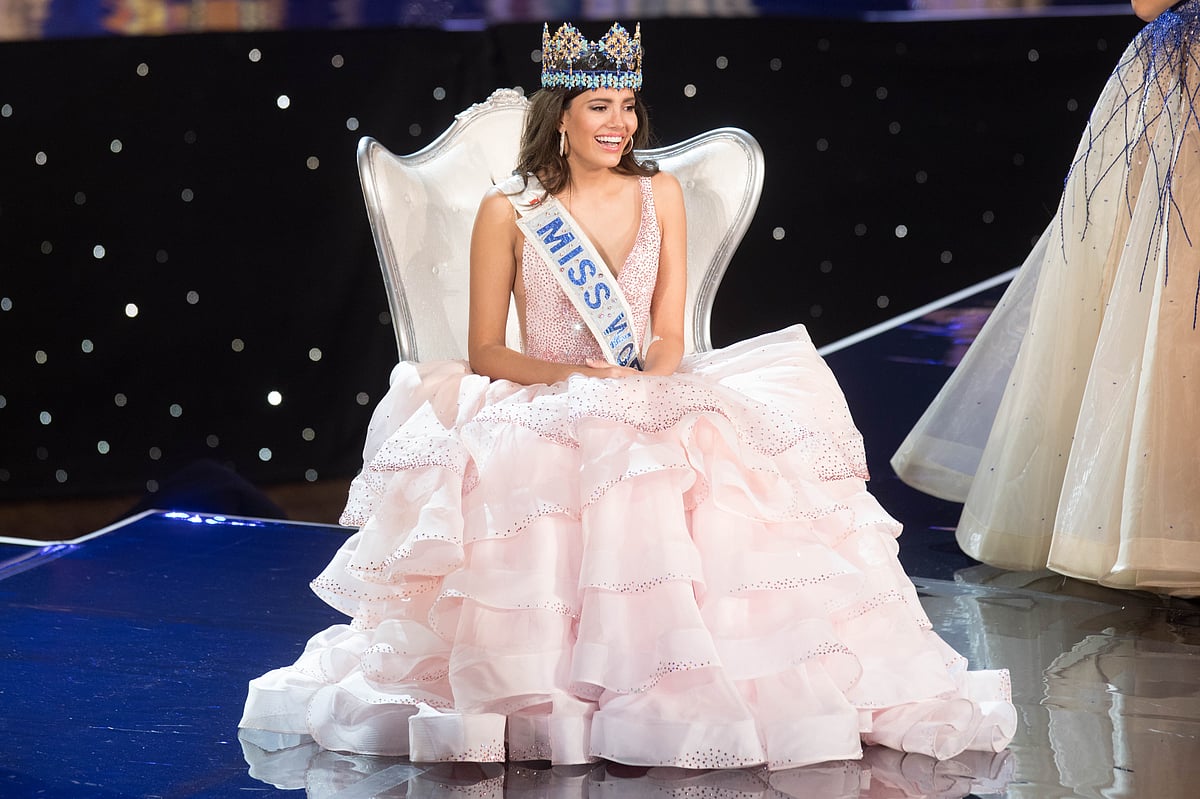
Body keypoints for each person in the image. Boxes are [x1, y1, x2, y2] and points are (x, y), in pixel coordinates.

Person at [239, 21, 1015, 770]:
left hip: (643, 384)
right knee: (560, 464)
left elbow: (669, 330)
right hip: (543, 394)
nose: (620, 123)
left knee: (719, 461)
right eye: (600, 107)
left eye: (629, 105)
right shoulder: (508, 211)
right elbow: (485, 351)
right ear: (562, 117)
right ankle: (560, 690)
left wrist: (649, 377)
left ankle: (689, 681)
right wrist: (585, 381)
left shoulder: (662, 194)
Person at [892, 1, 1200, 595]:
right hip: (1174, 89)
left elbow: (1147, 4)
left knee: (1159, 288)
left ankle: (1147, 527)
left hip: (1178, 85)